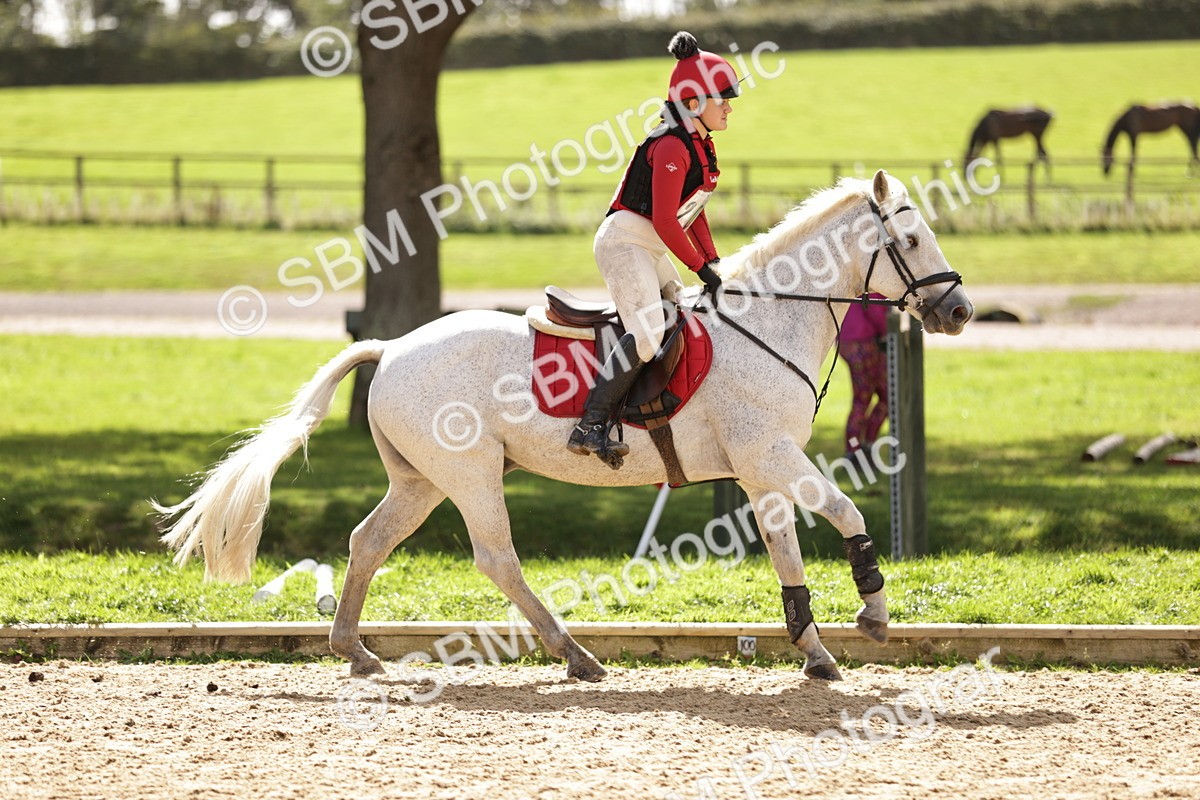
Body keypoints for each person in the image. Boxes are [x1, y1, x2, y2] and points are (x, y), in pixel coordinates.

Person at [567, 30, 740, 467]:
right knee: (647, 335)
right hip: (625, 242)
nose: (729, 107)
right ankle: (590, 424)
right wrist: (701, 267)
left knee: (683, 310)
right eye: (722, 99)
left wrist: (714, 261)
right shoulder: (670, 145)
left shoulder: (699, 144)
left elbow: (694, 212)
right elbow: (665, 220)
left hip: (650, 246)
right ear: (694, 103)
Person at [839, 295, 890, 457]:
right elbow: (875, 307)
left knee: (877, 397)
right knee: (868, 399)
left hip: (848, 339)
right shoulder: (874, 282)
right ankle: (857, 450)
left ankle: (859, 448)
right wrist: (887, 331)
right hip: (863, 341)